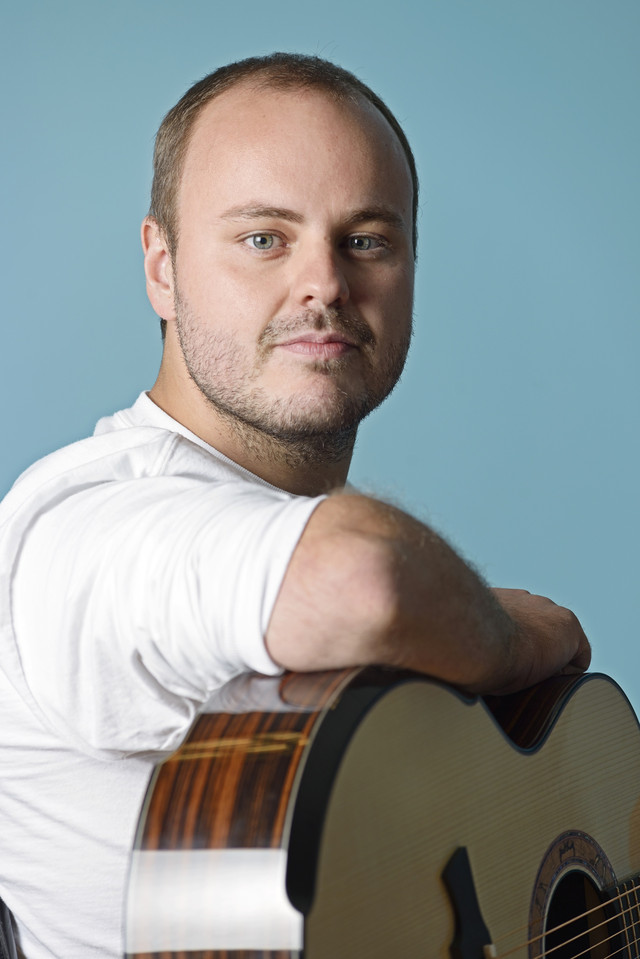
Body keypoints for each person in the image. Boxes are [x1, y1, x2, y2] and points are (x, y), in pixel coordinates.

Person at [0, 53, 589, 959]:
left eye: (366, 240)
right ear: (162, 267)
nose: (324, 284)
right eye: (264, 238)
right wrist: (519, 642)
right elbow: (359, 580)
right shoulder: (80, 529)